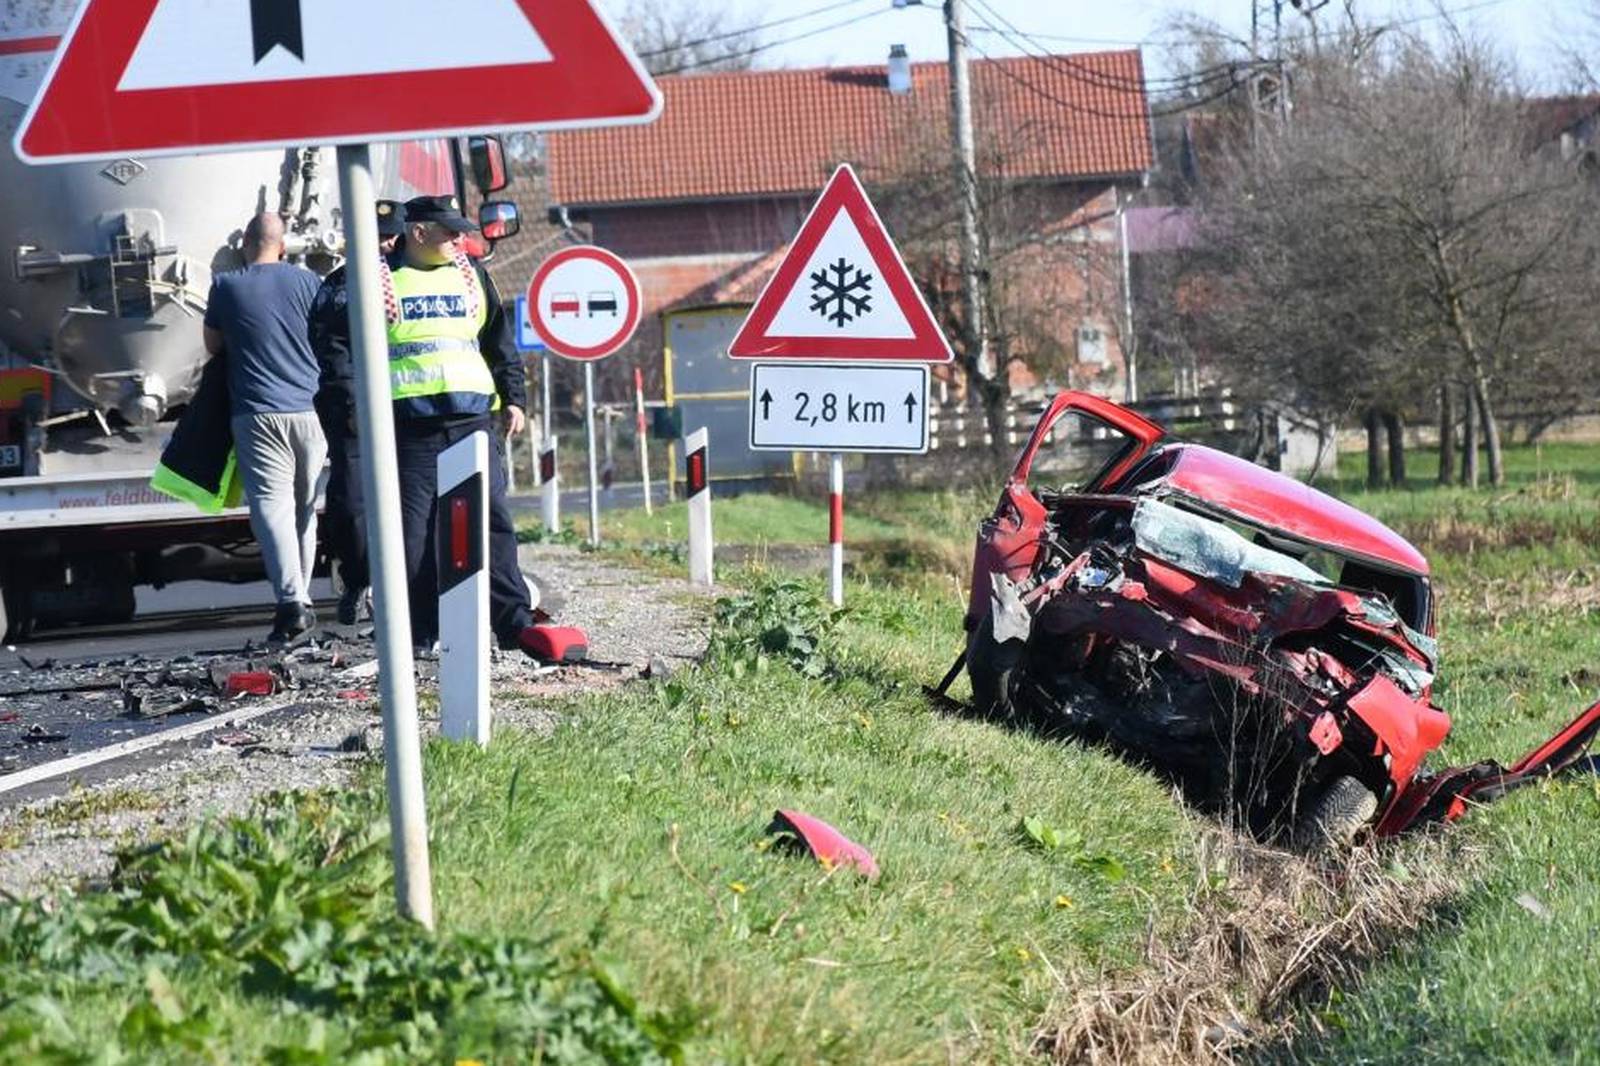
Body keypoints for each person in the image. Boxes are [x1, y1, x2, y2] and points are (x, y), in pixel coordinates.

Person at [382, 194, 585, 662]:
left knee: (493, 523)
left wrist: (514, 398)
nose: (460, 238)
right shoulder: (381, 280)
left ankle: (513, 623)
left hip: (473, 419)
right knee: (416, 534)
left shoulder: (472, 276)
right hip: (411, 425)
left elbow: (499, 342)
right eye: (450, 230)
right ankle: (420, 632)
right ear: (418, 233)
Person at [203, 212, 327, 644]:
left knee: (271, 508)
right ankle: (301, 597)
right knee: (305, 507)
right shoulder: (309, 282)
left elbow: (213, 346)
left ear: (245, 242)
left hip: (257, 413)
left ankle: (293, 601)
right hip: (311, 411)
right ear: (283, 242)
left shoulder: (226, 285)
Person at [308, 200, 407, 624]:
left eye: (391, 235)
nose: (387, 244)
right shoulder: (355, 283)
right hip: (365, 401)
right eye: (382, 236)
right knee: (361, 498)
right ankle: (366, 581)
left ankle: (377, 581)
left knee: (374, 495)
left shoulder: (337, 284)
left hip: (379, 397)